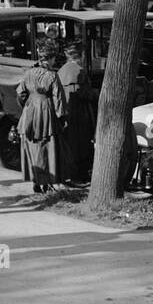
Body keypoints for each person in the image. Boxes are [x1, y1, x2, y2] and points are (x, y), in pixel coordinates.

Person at [16, 38, 68, 192]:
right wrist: (62, 118)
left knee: (32, 147)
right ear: (50, 58)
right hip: (46, 113)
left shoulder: (28, 73)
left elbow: (20, 93)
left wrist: (27, 106)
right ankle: (47, 182)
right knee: (47, 147)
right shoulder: (52, 76)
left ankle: (36, 182)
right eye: (53, 59)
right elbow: (58, 100)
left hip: (30, 112)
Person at [57, 40, 95, 183]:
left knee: (71, 143)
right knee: (82, 144)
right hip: (79, 114)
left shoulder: (61, 70)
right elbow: (83, 92)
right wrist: (97, 94)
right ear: (80, 56)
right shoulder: (79, 71)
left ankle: (70, 173)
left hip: (66, 113)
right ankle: (79, 175)